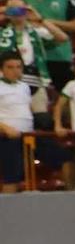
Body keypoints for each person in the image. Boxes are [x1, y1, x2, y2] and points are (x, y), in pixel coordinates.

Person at [0, 52, 30, 192]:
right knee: (12, 175)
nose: (15, 70)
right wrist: (6, 128)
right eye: (10, 67)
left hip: (28, 137)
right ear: (2, 69)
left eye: (18, 67)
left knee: (64, 157)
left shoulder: (25, 87)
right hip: (6, 137)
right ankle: (7, 211)